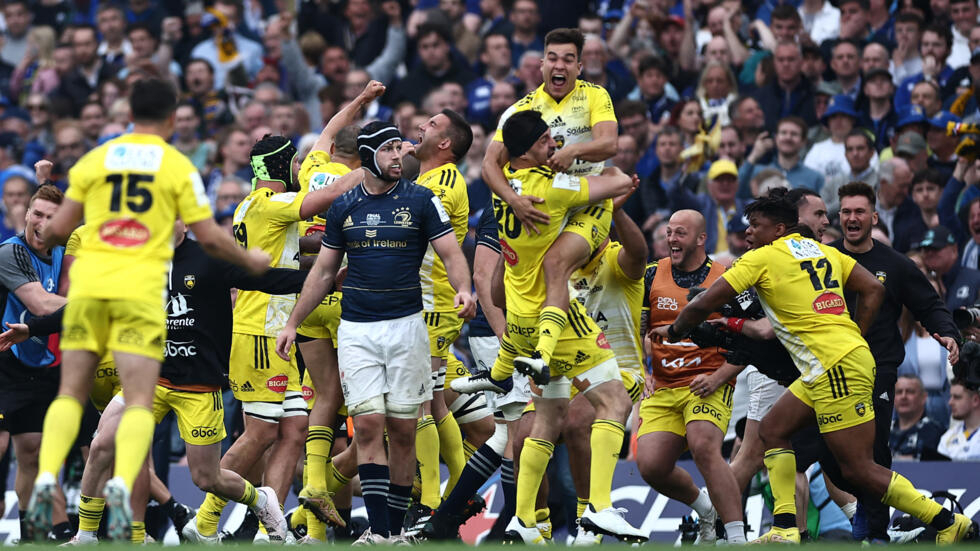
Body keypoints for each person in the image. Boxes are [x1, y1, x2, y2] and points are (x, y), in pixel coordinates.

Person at [651, 187, 974, 544]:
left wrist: (675, 328)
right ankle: (786, 527)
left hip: (834, 366)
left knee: (857, 469)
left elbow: (705, 301)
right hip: (828, 364)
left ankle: (946, 521)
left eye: (755, 226)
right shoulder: (823, 251)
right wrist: (856, 333)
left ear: (778, 230)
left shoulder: (763, 257)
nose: (748, 233)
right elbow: (872, 289)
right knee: (773, 430)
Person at [25, 77, 271, 541]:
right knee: (139, 400)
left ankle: (45, 479)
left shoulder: (95, 159)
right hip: (138, 293)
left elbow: (54, 231)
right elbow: (212, 238)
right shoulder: (176, 166)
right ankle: (121, 488)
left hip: (92, 288)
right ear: (173, 118)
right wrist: (250, 260)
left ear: (127, 111)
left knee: (71, 394)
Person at [185, 82, 386, 544]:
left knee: (294, 431)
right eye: (294, 163)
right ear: (279, 167)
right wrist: (369, 165)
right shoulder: (272, 203)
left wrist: (335, 256)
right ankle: (203, 523)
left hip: (271, 329)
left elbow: (298, 249)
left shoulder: (251, 207)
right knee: (258, 433)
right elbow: (321, 201)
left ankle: (269, 530)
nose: (300, 168)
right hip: (259, 330)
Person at [275, 121, 476, 544]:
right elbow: (325, 271)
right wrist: (293, 321)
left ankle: (397, 528)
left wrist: (463, 288)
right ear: (367, 156)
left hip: (407, 329)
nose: (398, 157)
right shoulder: (345, 205)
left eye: (399, 148)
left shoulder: (421, 201)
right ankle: (381, 532)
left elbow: (451, 251)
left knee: (403, 430)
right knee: (367, 427)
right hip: (357, 331)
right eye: (388, 149)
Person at [454, 110, 645, 544]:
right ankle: (599, 507)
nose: (553, 148)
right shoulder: (550, 190)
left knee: (547, 417)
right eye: (545, 142)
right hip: (559, 318)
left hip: (522, 313)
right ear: (525, 150)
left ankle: (523, 518)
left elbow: (491, 162)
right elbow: (617, 181)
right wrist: (591, 163)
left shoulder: (504, 186)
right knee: (614, 403)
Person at [474, 28, 619, 384]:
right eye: (553, 58)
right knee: (498, 287)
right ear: (541, 64)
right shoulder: (521, 108)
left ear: (580, 66)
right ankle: (506, 366)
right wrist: (514, 201)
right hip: (533, 203)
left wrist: (572, 151)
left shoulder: (595, 96)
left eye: (569, 59)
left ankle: (542, 355)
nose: (560, 65)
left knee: (555, 264)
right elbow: (489, 164)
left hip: (585, 201)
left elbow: (610, 143)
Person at [829, 181, 959, 542]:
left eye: (859, 212)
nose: (851, 218)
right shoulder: (821, 260)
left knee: (873, 451)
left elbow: (928, 305)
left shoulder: (894, 264)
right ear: (838, 217)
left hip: (877, 370)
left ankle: (875, 530)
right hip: (829, 372)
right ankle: (860, 509)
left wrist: (948, 332)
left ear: (873, 216)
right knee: (821, 448)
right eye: (845, 212)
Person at [638, 209, 746, 545]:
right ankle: (706, 511)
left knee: (703, 447)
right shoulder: (651, 274)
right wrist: (644, 372)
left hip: (707, 382)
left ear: (702, 238)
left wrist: (718, 378)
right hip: (664, 385)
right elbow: (638, 332)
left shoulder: (727, 277)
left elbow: (751, 343)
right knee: (651, 466)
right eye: (669, 232)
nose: (671, 239)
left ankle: (737, 537)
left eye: (680, 233)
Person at [0, 184, 67, 541]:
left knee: (31, 452)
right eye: (36, 214)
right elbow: (41, 305)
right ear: (26, 214)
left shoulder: (60, 252)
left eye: (50, 217)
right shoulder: (11, 252)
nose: (41, 222)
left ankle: (27, 536)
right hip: (3, 362)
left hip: (37, 363)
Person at [889, 375, 944, 460]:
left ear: (924, 397)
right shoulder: (883, 431)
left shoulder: (936, 433)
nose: (903, 396)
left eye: (910, 392)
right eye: (899, 392)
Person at [937, 379, 980, 460]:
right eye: (951, 397)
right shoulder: (947, 438)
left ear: (975, 400)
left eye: (957, 397)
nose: (950, 402)